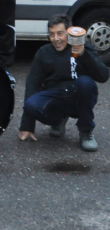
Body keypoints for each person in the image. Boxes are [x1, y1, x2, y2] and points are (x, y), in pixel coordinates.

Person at [19, 15, 109, 152]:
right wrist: (27, 126)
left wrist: (84, 54)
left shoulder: (85, 47)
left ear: (69, 32)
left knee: (86, 83)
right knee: (31, 105)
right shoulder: (44, 52)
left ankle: (86, 132)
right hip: (56, 97)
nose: (56, 39)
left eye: (60, 33)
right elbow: (32, 84)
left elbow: (103, 76)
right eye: (52, 34)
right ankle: (58, 121)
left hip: (77, 96)